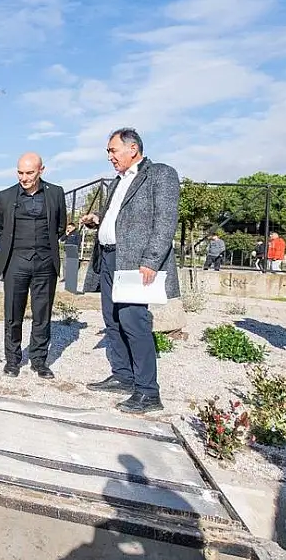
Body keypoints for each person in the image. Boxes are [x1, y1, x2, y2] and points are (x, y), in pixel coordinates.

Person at [81, 128, 179, 414]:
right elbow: (123, 217)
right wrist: (98, 219)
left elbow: (164, 221)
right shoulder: (118, 181)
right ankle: (123, 376)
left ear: (132, 149)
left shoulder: (160, 174)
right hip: (110, 259)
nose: (109, 156)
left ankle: (148, 392)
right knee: (112, 319)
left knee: (134, 322)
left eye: (113, 150)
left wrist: (151, 260)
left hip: (136, 264)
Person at [0, 152, 67, 380]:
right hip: (16, 262)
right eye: (20, 173)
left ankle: (39, 361)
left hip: (45, 262)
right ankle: (12, 360)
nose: (24, 178)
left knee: (42, 314)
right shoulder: (5, 196)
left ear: (41, 170)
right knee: (13, 313)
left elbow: (60, 226)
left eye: (29, 173)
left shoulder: (55, 193)